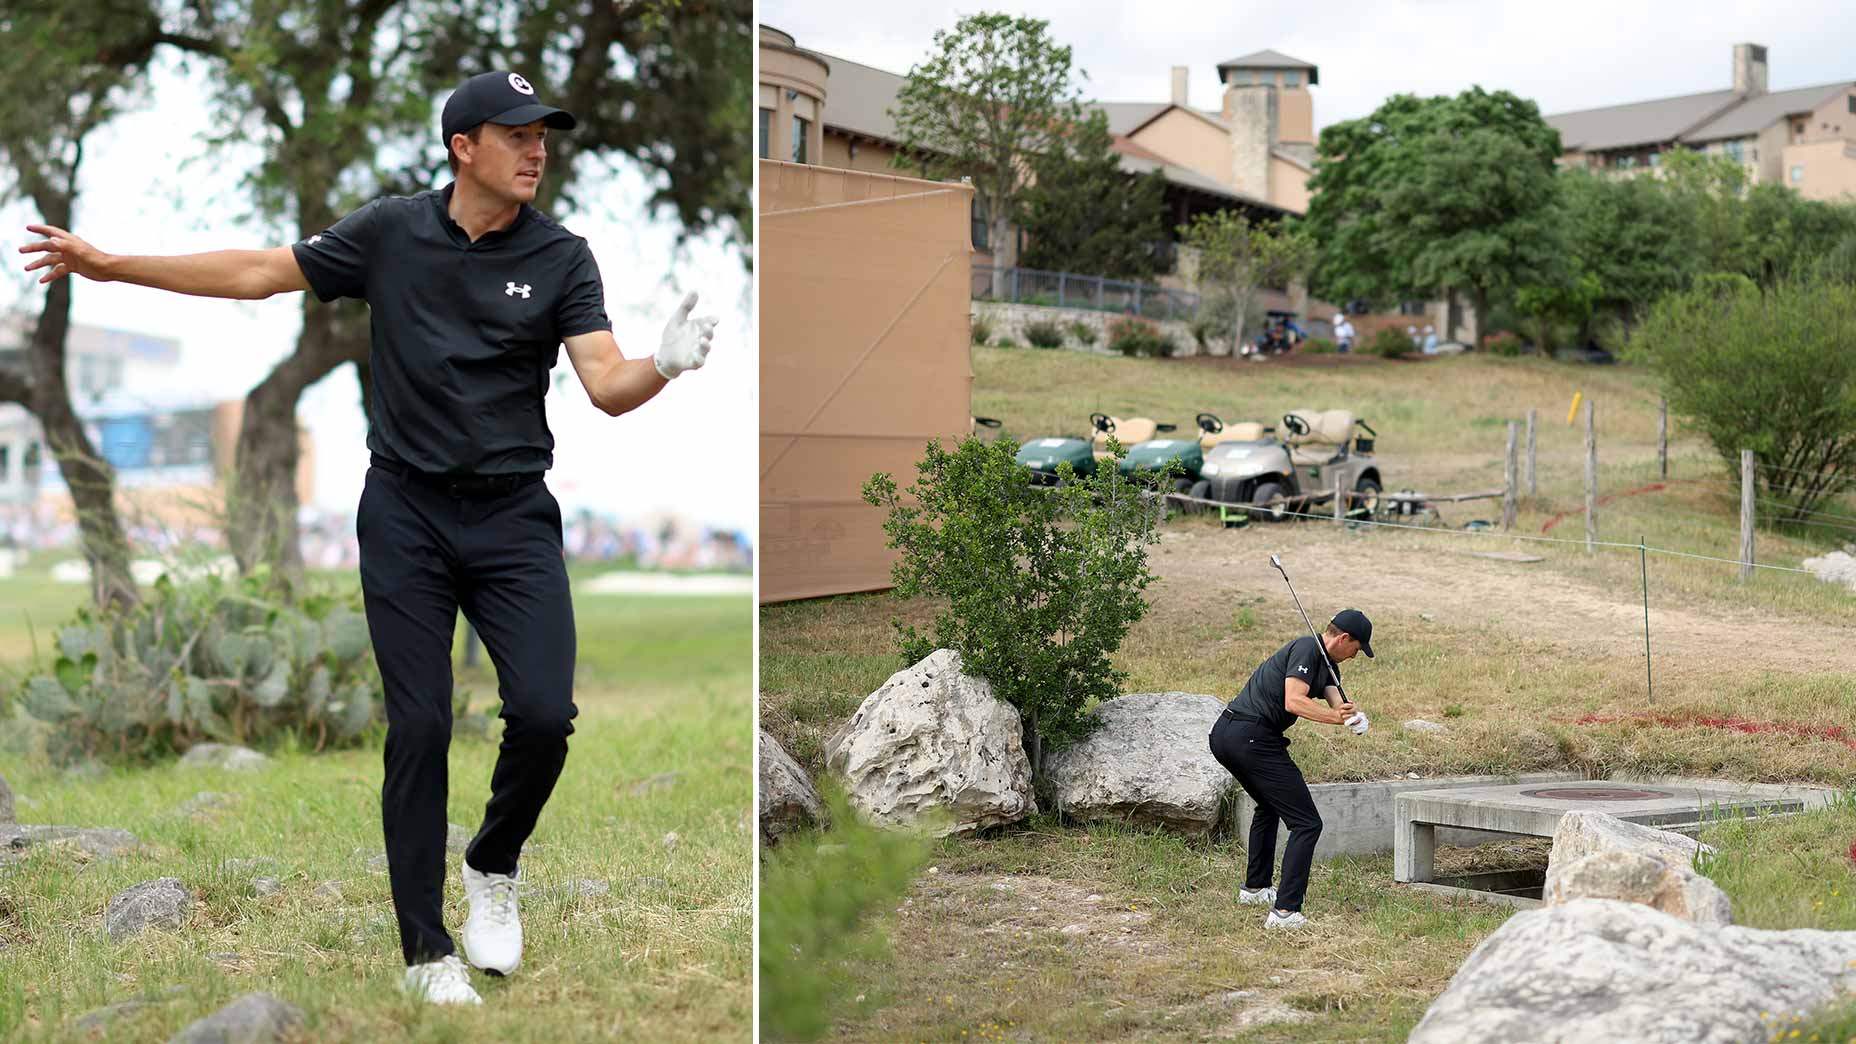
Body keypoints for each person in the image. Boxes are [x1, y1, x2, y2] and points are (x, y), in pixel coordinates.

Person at [19, 69, 718, 1006]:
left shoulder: (562, 256)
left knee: (544, 715)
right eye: (517, 134)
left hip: (513, 516)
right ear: (464, 146)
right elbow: (258, 273)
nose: (537, 150)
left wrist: (662, 364)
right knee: (420, 724)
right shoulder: (391, 232)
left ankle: (492, 861)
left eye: (544, 136)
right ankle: (426, 953)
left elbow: (605, 383)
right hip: (405, 514)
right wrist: (114, 266)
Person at [1207, 610, 1374, 929]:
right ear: (1344, 638)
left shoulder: (1328, 665)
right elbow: (1293, 701)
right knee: (1307, 823)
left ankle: (1256, 889)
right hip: (1250, 736)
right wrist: (1336, 719)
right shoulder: (1307, 648)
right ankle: (1285, 912)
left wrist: (1354, 717)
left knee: (1269, 805)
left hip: (1228, 735)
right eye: (1357, 648)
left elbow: (1338, 703)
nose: (1356, 655)